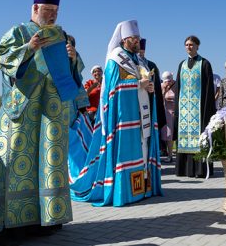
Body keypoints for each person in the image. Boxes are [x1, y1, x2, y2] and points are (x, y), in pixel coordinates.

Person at [0, 0, 87, 242]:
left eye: (56, 12)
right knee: (16, 161)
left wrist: (73, 58)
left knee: (48, 162)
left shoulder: (63, 36)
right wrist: (29, 47)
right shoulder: (18, 31)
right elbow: (2, 59)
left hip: (51, 110)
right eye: (48, 10)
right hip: (23, 110)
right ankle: (10, 224)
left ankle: (46, 219)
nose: (52, 16)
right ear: (35, 8)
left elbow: (75, 74)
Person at [69, 20, 163, 206]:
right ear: (124, 39)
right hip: (123, 119)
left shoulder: (138, 60)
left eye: (138, 38)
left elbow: (141, 85)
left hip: (139, 118)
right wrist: (138, 85)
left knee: (142, 150)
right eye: (134, 39)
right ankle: (125, 192)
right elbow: (113, 90)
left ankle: (143, 188)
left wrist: (149, 88)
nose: (137, 41)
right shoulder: (115, 59)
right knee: (127, 153)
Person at [174, 35, 215, 178]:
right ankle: (184, 170)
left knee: (199, 138)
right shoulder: (182, 65)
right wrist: (177, 109)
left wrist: (208, 111)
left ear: (197, 46)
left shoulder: (204, 63)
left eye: (191, 44)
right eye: (186, 45)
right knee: (184, 138)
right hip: (185, 109)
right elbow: (178, 87)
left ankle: (200, 170)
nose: (188, 47)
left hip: (200, 109)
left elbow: (209, 89)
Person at [138, 38, 167, 154]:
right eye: (138, 51)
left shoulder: (151, 65)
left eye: (142, 51)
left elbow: (156, 88)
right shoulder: (131, 65)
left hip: (150, 102)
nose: (140, 53)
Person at [160, 71, 176, 162]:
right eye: (166, 81)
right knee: (167, 134)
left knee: (174, 134)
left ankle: (174, 155)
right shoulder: (162, 86)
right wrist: (164, 91)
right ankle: (168, 154)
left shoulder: (177, 85)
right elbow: (160, 99)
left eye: (169, 81)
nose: (168, 83)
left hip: (176, 112)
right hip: (166, 112)